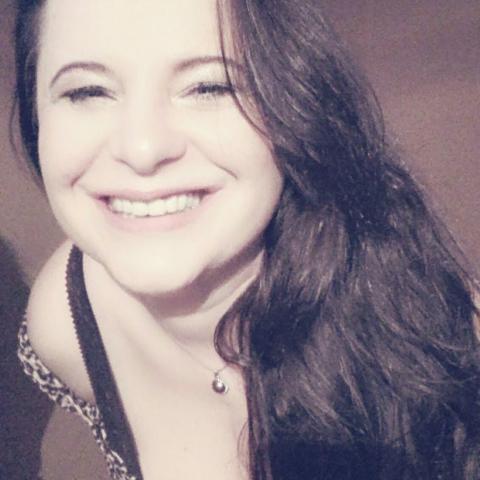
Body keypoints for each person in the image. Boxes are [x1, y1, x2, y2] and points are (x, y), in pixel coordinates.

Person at [13, 0, 480, 479]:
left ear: (294, 101)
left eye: (208, 86)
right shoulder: (66, 323)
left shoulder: (435, 334)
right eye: (88, 91)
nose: (143, 149)